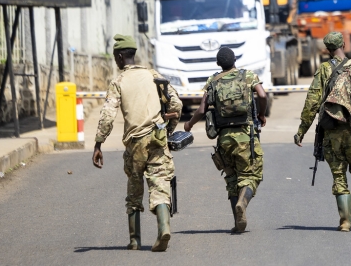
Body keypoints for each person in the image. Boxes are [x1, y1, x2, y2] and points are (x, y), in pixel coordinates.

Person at [92, 34, 182, 252]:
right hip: (158, 137)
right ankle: (163, 228)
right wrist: (168, 129)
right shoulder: (153, 75)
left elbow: (107, 116)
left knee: (134, 189)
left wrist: (98, 143)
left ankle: (134, 241)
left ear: (121, 57)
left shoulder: (119, 82)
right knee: (160, 183)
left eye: (115, 57)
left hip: (136, 143)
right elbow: (176, 103)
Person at [295, 32, 351, 232]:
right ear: (344, 44)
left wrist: (301, 131)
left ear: (327, 49)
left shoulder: (324, 70)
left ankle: (345, 222)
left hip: (331, 132)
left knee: (338, 176)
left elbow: (312, 102)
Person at [184, 47, 267, 233]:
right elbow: (262, 95)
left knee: (231, 178)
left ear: (218, 64)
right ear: (235, 59)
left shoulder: (212, 81)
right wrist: (261, 115)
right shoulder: (248, 76)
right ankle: (243, 203)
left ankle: (238, 223)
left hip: (224, 139)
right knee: (252, 175)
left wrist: (189, 125)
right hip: (246, 136)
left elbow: (202, 109)